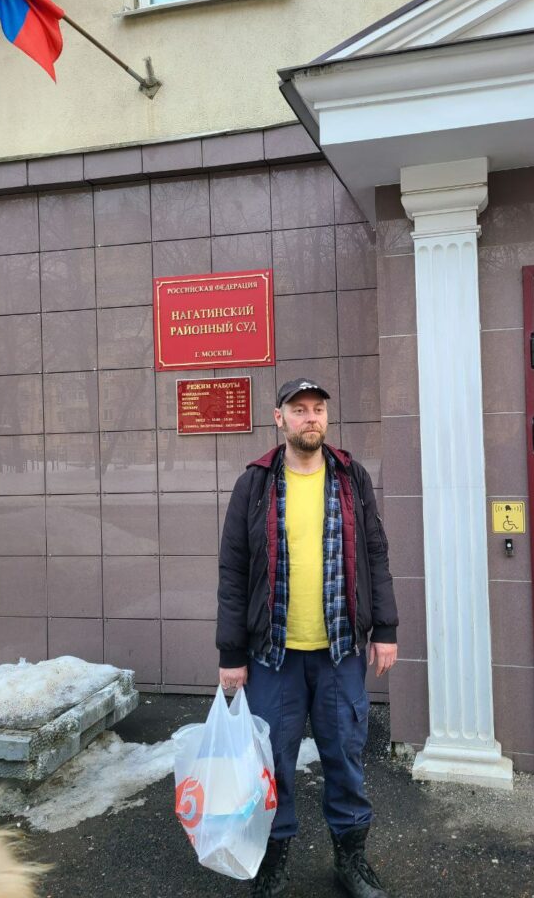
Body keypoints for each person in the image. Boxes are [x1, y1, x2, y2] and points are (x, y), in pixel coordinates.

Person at [217, 378, 398, 898]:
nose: (310, 417)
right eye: (299, 410)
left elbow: (376, 553)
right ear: (279, 418)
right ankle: (273, 858)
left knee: (344, 753)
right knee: (273, 759)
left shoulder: (351, 478)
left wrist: (385, 629)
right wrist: (231, 652)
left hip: (339, 649)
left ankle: (351, 857)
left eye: (317, 409)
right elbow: (233, 570)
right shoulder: (254, 484)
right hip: (272, 654)